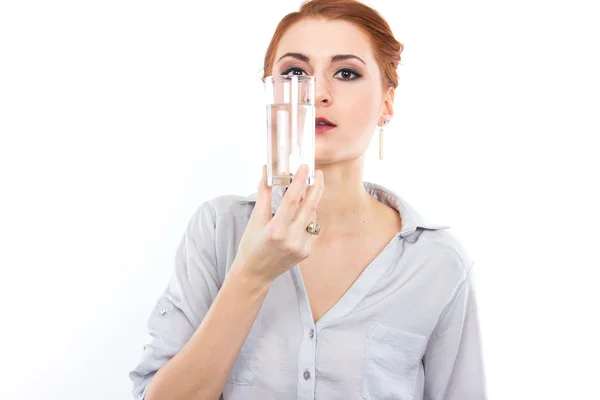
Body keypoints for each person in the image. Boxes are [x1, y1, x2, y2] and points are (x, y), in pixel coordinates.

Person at [129, 0, 487, 399]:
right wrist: (252, 274)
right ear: (270, 95)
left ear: (387, 101)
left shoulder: (436, 263)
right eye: (295, 73)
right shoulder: (219, 229)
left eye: (346, 72)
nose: (316, 93)